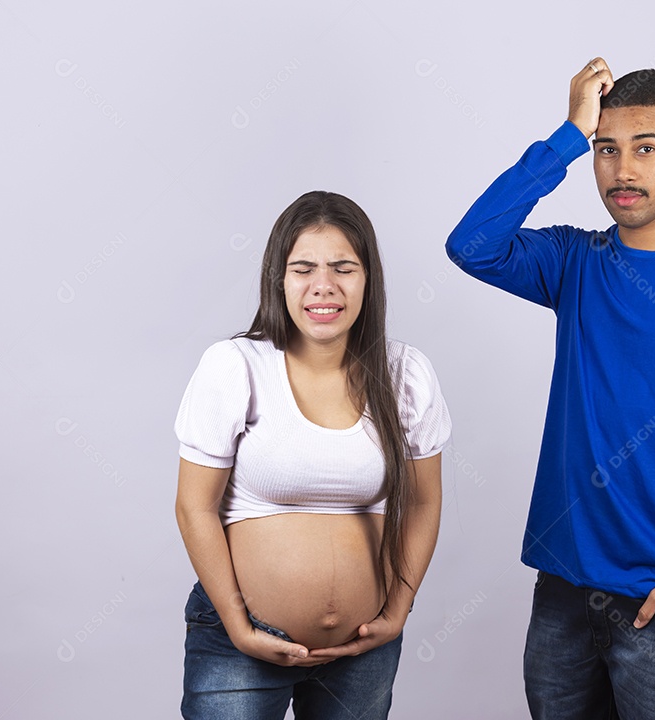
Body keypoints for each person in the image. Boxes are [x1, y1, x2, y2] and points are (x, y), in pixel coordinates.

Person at [445, 59, 655, 719]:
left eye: (645, 148)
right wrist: (567, 138)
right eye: (607, 150)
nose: (623, 170)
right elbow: (472, 245)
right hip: (563, 594)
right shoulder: (576, 261)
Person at [174, 190, 451, 719]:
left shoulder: (406, 374)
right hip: (242, 643)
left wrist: (398, 609)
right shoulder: (235, 366)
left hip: (362, 650)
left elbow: (421, 504)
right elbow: (195, 507)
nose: (323, 285)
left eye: (343, 267)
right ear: (279, 278)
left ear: (368, 278)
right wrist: (237, 626)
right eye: (303, 268)